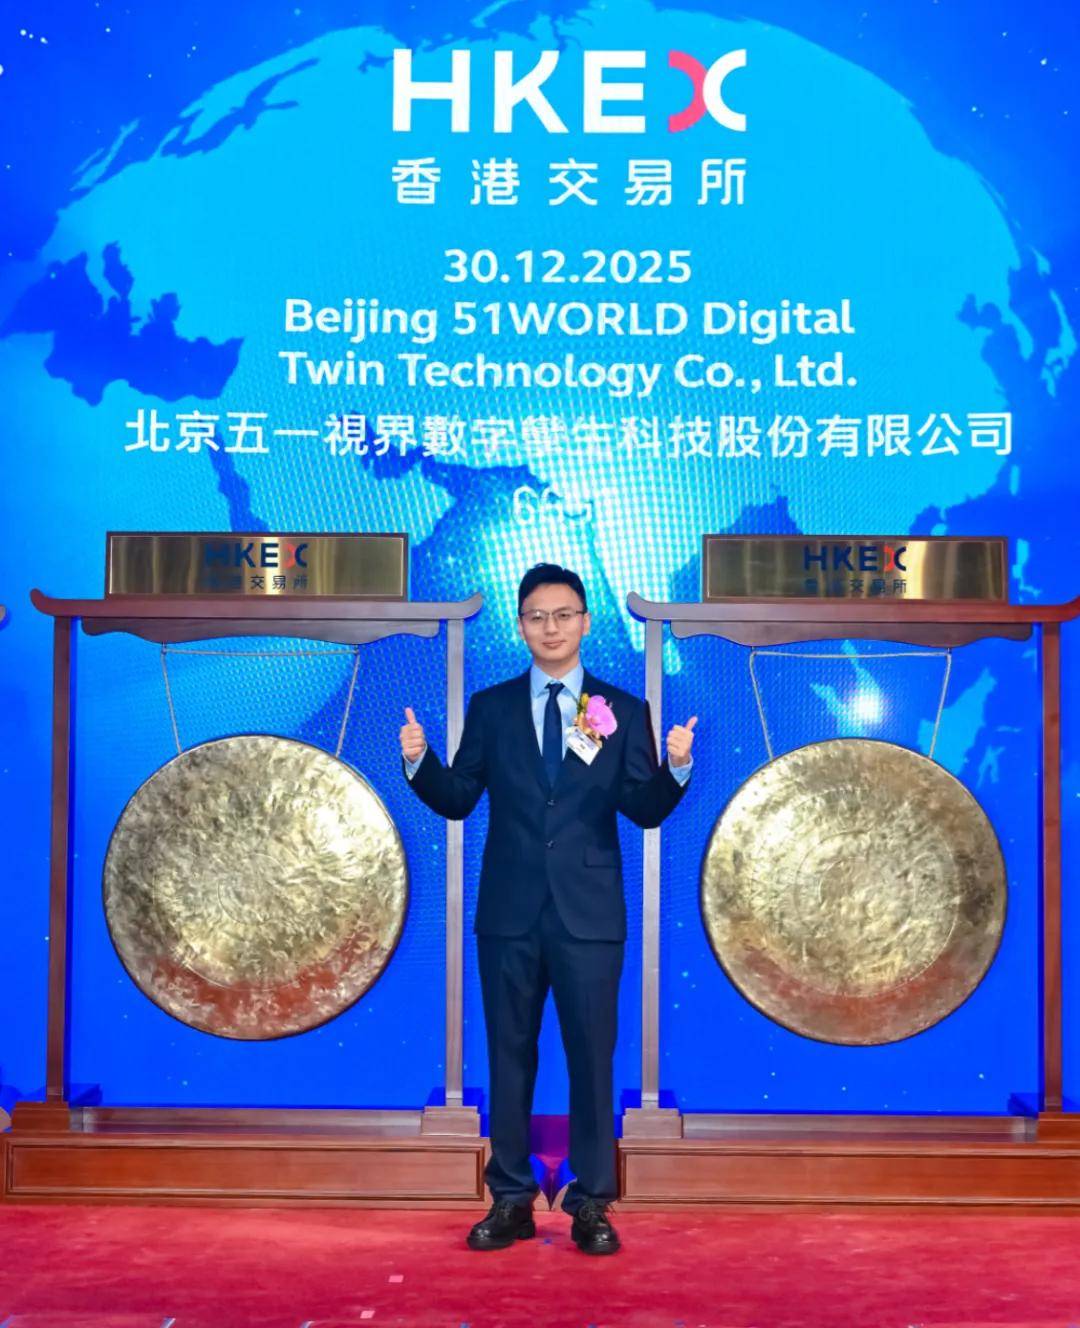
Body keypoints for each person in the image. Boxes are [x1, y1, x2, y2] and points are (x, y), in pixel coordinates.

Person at [399, 564, 695, 1255]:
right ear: (521, 626)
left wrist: (676, 769)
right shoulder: (493, 707)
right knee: (509, 1056)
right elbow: (458, 798)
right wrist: (420, 762)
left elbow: (644, 809)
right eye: (536, 616)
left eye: (563, 614)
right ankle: (511, 1198)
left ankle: (591, 1202)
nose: (551, 627)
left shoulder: (618, 710)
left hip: (590, 916)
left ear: (585, 622)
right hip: (509, 914)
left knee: (592, 1059)